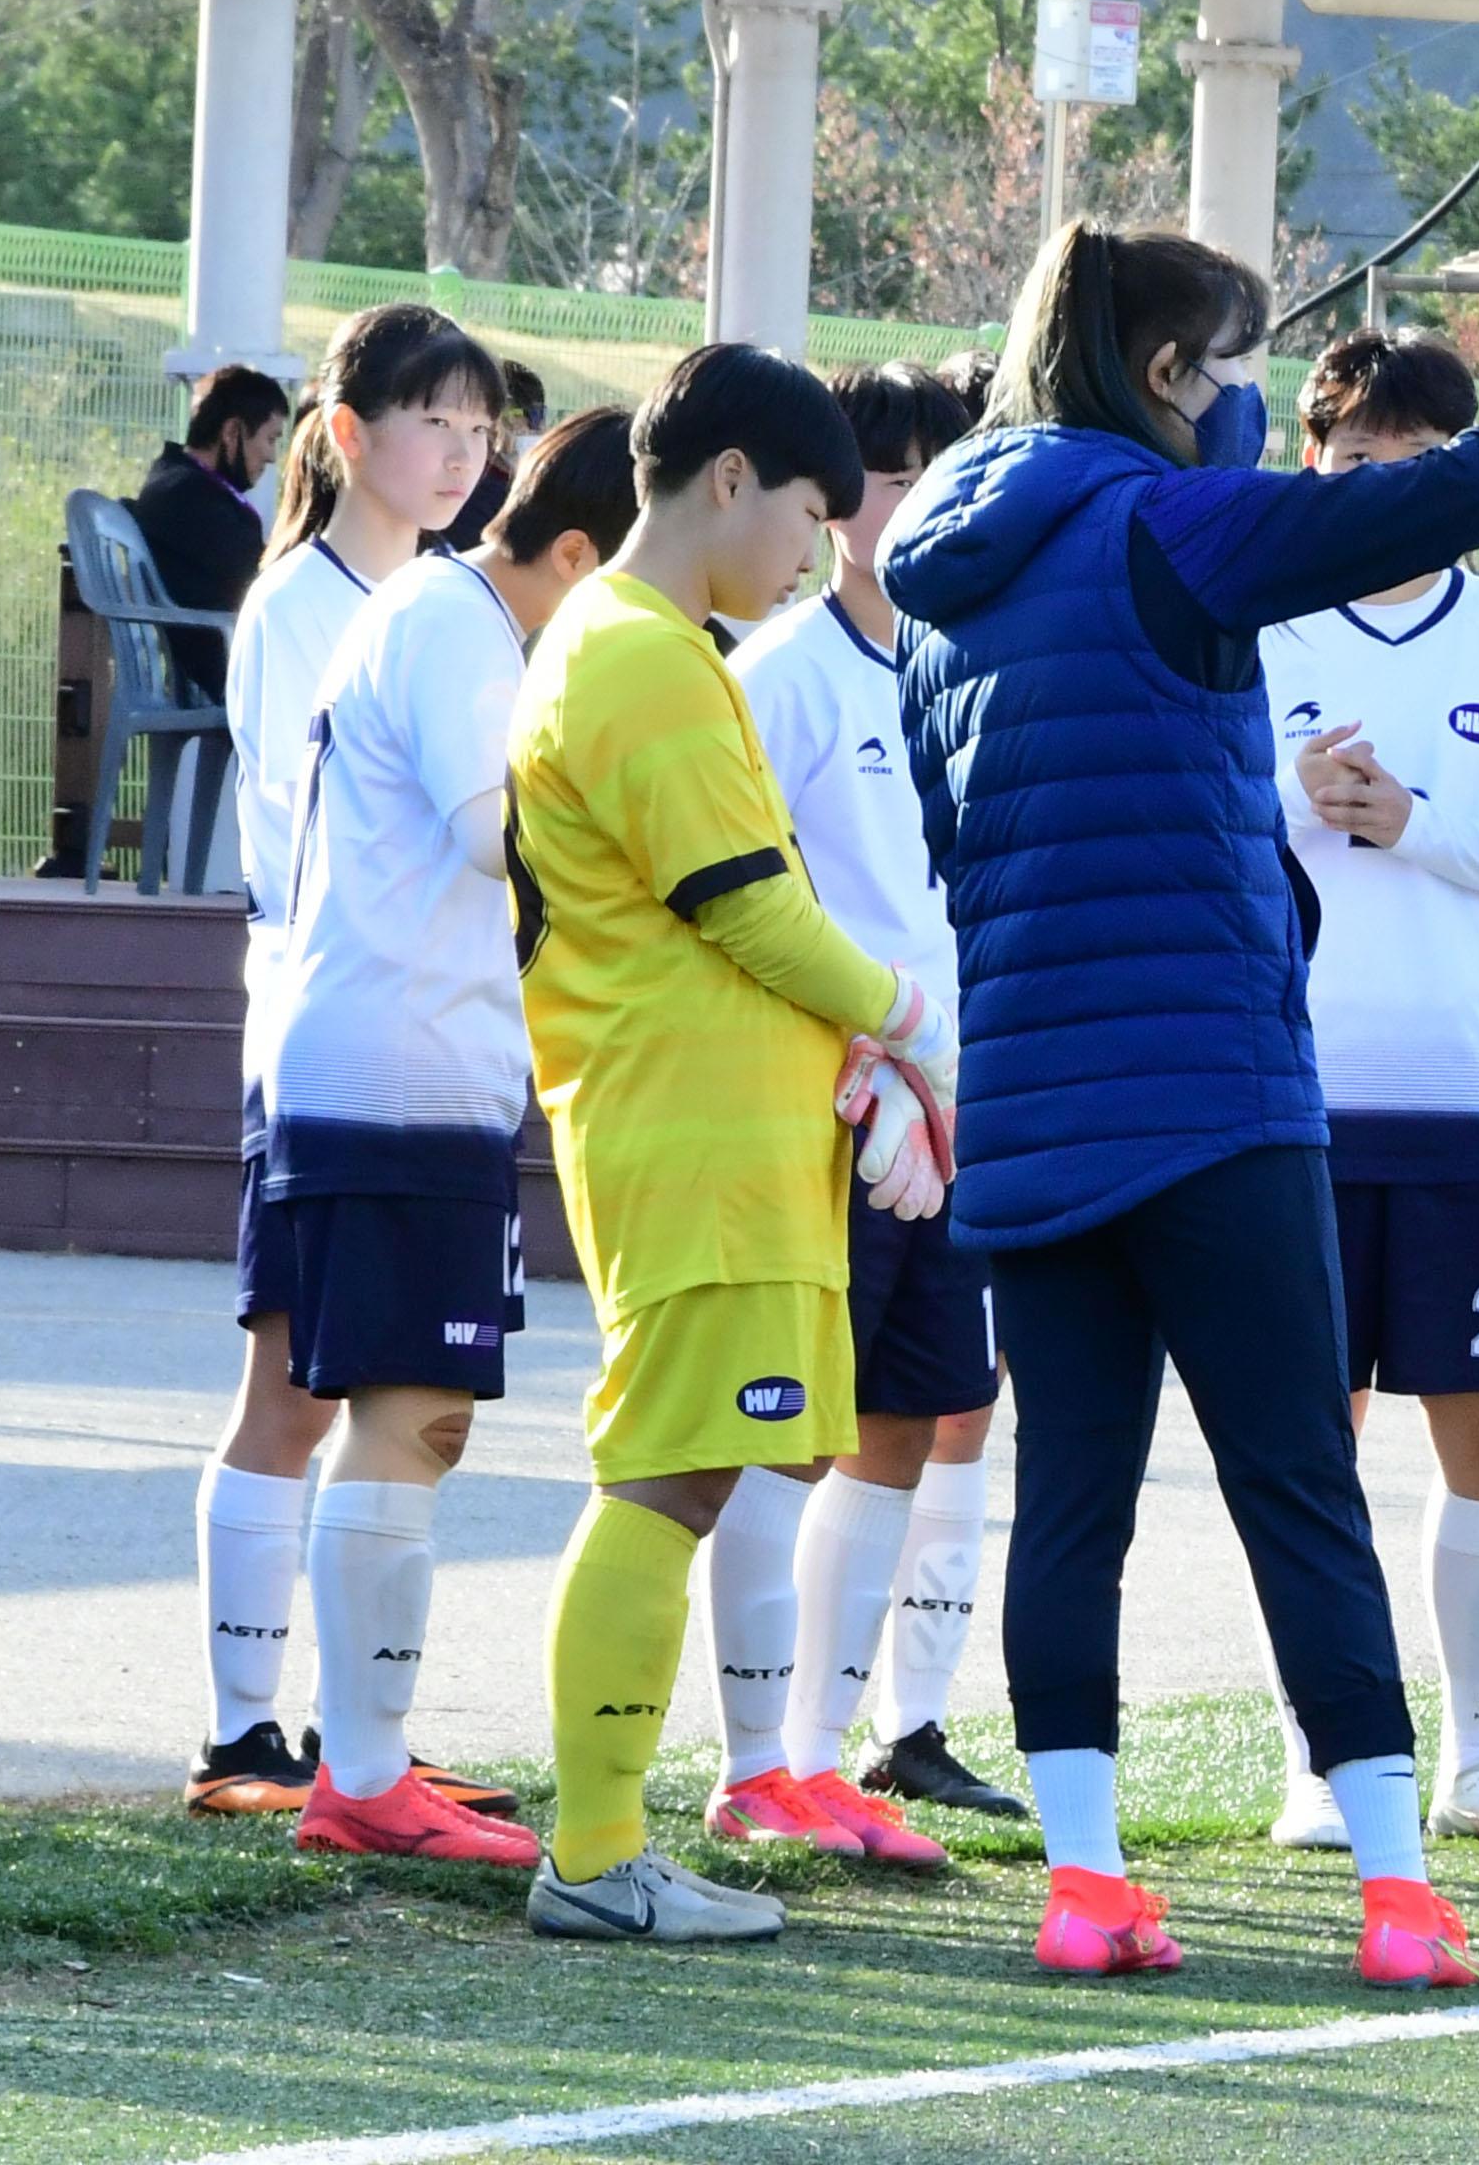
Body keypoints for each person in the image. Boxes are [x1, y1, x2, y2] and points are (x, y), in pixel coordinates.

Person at [880, 221, 1479, 1986]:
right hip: (1212, 1089)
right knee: (1297, 1480)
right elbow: (1437, 500)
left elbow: (956, 849)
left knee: (1071, 1497)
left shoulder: (939, 580)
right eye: (1229, 366)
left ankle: (1086, 1879)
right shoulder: (1164, 522)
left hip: (1036, 1101)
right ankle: (1396, 1884)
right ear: (1170, 376)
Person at [510, 344, 961, 1944]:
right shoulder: (634, 654)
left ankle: (605, 1841)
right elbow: (747, 905)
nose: (813, 548)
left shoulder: (655, 646)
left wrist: (864, 1053)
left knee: (693, 1476)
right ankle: (595, 1850)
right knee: (666, 1483)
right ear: (727, 482)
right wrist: (905, 1019)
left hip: (725, 1133)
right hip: (684, 1140)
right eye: (808, 511)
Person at [1251, 330, 1479, 1854]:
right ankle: (1321, 1765)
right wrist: (1288, 801)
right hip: (1293, 1110)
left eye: (1418, 466)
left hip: (1474, 1109)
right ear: (1314, 466)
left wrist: (1419, 822)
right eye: (1353, 462)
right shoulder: (1254, 623)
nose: (1383, 489)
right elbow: (1188, 825)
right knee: (1302, 1449)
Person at [258, 407, 628, 1869]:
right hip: (396, 1068)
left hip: (415, 1062)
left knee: (419, 1419)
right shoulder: (459, 624)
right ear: (587, 551)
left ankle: (371, 1760)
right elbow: (501, 833)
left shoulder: (450, 614)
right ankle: (361, 1778)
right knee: (408, 1416)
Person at [188, 304, 516, 1821]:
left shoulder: (451, 597)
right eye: (431, 422)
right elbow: (299, 857)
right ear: (347, 435)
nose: (459, 453)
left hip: (418, 1026)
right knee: (292, 1386)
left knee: (376, 1396)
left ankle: (346, 1732)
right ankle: (241, 1727)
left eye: (479, 429)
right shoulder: (302, 609)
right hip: (322, 1025)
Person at [726, 363, 1022, 1853]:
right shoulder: (776, 673)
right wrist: (859, 1060)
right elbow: (734, 899)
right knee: (791, 1430)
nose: (910, 507)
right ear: (834, 498)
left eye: (939, 475)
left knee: (915, 1420)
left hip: (959, 1110)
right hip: (829, 1109)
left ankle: (830, 1752)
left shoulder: (988, 664)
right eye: (888, 476)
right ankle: (753, 1758)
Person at [129, 365, 291, 699]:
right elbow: (262, 582)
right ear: (233, 432)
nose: (272, 457)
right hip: (227, 674)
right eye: (270, 438)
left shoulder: (178, 484)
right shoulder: (189, 497)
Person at [442, 359, 552, 552]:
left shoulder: (535, 484)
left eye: (538, 415)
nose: (537, 428)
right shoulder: (475, 493)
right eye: (524, 417)